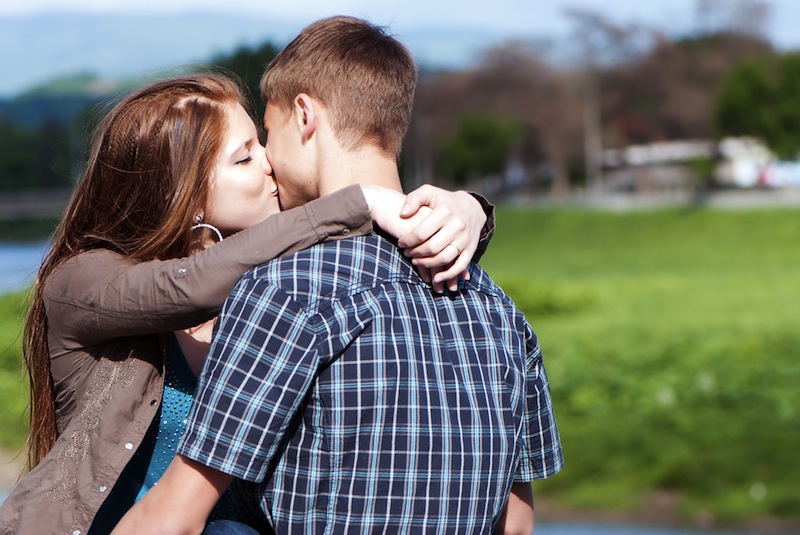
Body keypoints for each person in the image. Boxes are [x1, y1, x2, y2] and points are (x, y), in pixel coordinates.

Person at [115, 16, 563, 535]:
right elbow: (517, 525)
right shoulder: (500, 312)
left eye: (268, 130)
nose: (267, 159)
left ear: (304, 116)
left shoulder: (285, 289)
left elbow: (173, 520)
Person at [0, 74, 495, 535]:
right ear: (183, 193)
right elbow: (186, 288)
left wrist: (470, 210)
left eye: (260, 143)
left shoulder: (276, 275)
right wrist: (360, 198)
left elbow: (379, 248)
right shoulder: (82, 280)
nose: (269, 160)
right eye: (243, 158)